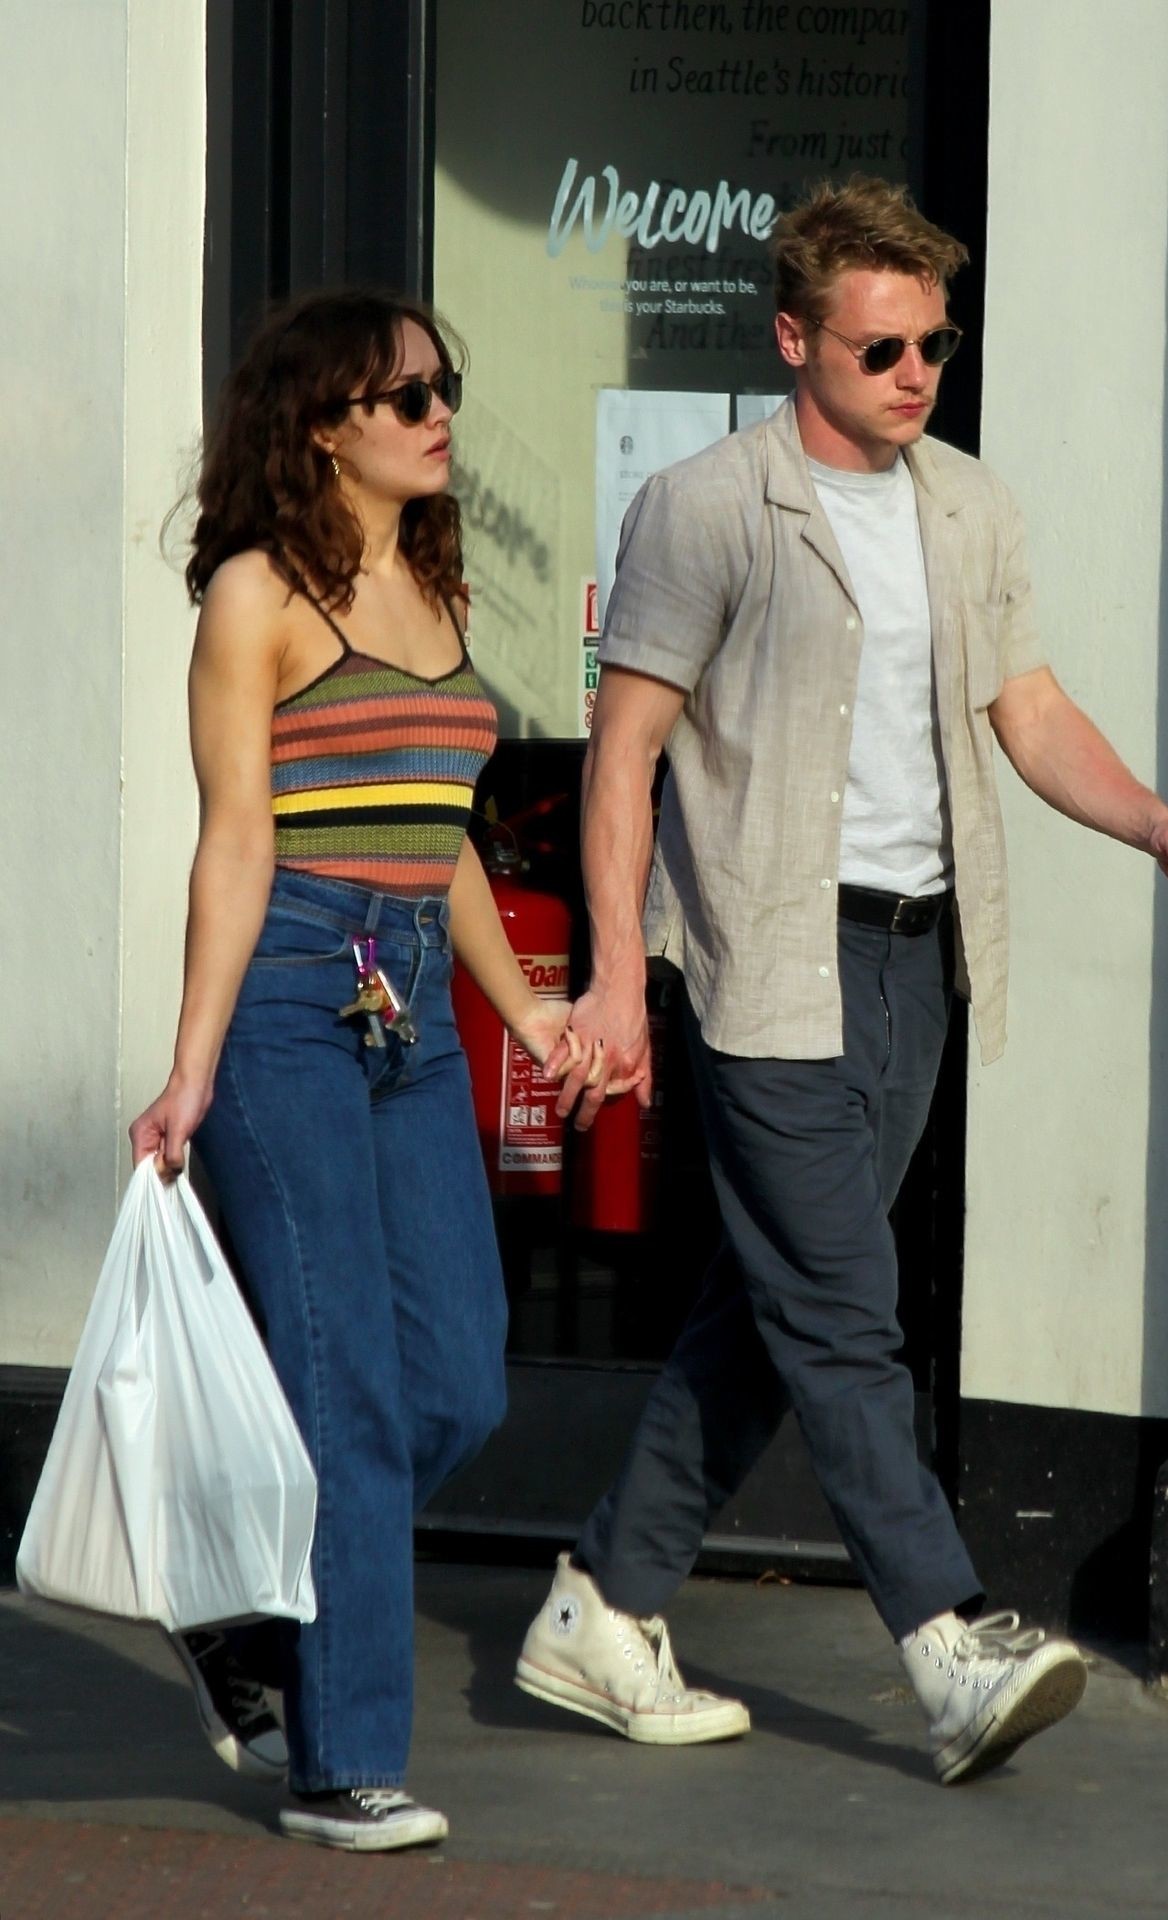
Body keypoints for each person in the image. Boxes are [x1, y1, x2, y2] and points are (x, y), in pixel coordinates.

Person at [515, 177, 1168, 1785]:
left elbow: (1025, 706)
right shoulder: (708, 507)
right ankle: (947, 1638)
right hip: (767, 953)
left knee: (768, 1306)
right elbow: (622, 758)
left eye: (935, 346)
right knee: (843, 1311)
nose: (916, 375)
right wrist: (621, 981)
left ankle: (602, 1606)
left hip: (918, 959)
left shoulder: (967, 507)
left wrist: (1154, 823)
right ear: (796, 341)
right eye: (882, 348)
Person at [130, 290, 579, 1850]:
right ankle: (342, 1766)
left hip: (412, 1007)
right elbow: (236, 843)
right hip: (288, 1007)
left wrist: (529, 1018)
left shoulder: (436, 582)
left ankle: (252, 1628)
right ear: (325, 426)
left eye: (446, 386)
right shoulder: (256, 595)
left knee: (459, 1376)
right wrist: (191, 1072)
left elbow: (439, 836)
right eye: (407, 397)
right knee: (352, 1400)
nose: (441, 414)